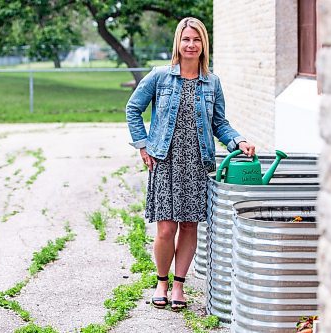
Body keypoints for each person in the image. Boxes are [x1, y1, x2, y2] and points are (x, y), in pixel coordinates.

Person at [125, 17, 255, 311]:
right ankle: (161, 281)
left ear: (203, 45)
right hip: (166, 162)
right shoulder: (160, 77)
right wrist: (143, 145)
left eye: (196, 40)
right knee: (165, 230)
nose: (191, 45)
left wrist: (238, 141)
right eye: (186, 39)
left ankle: (179, 286)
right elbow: (133, 109)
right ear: (178, 43)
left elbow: (219, 123)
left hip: (197, 164)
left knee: (189, 228)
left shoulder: (212, 82)